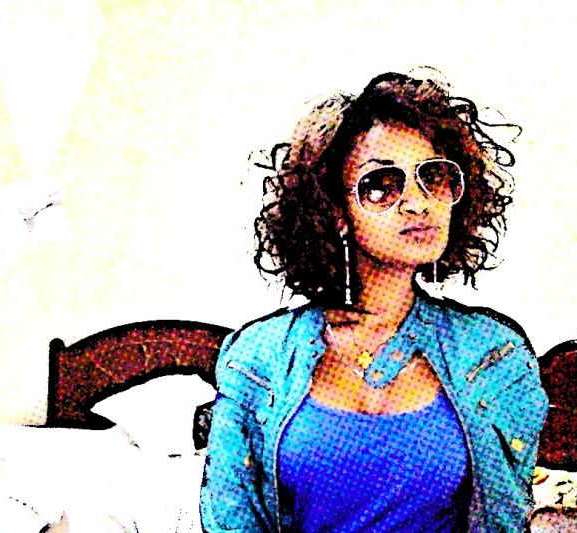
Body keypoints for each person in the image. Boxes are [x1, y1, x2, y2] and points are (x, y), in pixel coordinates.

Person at [200, 71, 549, 532]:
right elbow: (231, 520)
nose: (418, 203)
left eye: (434, 178)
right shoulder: (257, 359)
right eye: (382, 185)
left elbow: (507, 519)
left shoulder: (494, 355)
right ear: (336, 213)